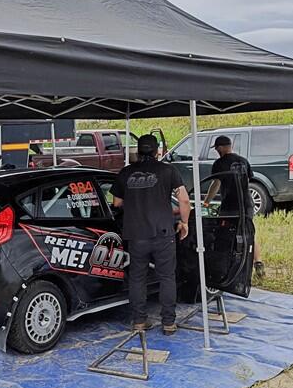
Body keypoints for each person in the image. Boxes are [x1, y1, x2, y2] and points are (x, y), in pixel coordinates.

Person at [111, 134, 191, 335]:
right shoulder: (168, 170)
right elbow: (184, 200)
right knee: (166, 277)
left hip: (136, 234)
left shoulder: (126, 172)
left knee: (137, 278)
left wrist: (136, 200)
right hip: (163, 233)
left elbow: (116, 203)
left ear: (138, 151)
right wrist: (185, 222)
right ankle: (168, 323)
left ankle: (139, 321)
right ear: (157, 151)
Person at [203, 135, 264, 277]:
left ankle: (231, 264)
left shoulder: (219, 163)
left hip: (229, 205)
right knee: (248, 233)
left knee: (226, 234)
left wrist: (206, 202)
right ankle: (258, 262)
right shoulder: (244, 161)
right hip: (246, 204)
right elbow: (247, 181)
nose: (217, 150)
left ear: (222, 147)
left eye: (217, 147)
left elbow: (216, 184)